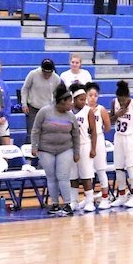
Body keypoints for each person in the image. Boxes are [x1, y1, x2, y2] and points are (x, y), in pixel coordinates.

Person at [31, 83, 80, 216]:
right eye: (69, 101)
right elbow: (36, 129)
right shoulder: (44, 112)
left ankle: (68, 204)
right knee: (51, 177)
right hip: (46, 149)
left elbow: (76, 135)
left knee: (63, 176)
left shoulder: (71, 116)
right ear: (62, 101)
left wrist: (76, 152)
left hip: (65, 149)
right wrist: (34, 146)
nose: (71, 104)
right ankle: (55, 204)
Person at [109, 80, 133, 208]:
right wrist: (117, 115)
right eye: (119, 100)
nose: (121, 103)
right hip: (118, 137)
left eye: (123, 100)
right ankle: (121, 196)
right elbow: (109, 121)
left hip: (130, 138)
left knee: (131, 167)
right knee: (119, 168)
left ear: (128, 97)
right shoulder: (114, 102)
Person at [69, 83, 97, 213]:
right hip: (71, 146)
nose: (83, 102)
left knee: (86, 175)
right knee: (73, 176)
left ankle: (89, 201)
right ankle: (74, 201)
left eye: (84, 99)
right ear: (74, 99)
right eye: (81, 99)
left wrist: (93, 148)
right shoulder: (68, 111)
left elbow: (94, 131)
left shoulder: (88, 111)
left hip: (85, 145)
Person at [21, 59, 60, 144]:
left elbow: (58, 94)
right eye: (45, 73)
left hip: (47, 109)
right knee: (31, 132)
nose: (47, 76)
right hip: (33, 107)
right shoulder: (33, 74)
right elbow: (25, 89)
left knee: (46, 132)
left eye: (49, 73)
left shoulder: (56, 78)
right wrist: (24, 104)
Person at [86, 82, 112, 209]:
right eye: (90, 95)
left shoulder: (101, 109)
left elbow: (107, 127)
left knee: (101, 170)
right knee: (87, 172)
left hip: (99, 140)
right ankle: (88, 199)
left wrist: (97, 132)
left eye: (95, 95)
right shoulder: (83, 109)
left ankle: (105, 198)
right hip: (86, 140)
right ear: (86, 95)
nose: (93, 98)